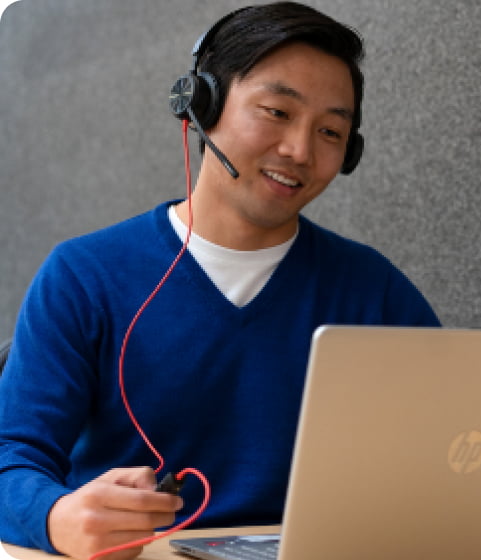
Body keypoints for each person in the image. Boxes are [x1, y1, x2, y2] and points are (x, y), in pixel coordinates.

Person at [0, 3, 440, 559]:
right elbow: (10, 457)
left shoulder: (372, 288)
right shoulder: (83, 276)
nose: (300, 151)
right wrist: (54, 515)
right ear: (200, 106)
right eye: (277, 112)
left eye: (330, 130)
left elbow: (454, 446)